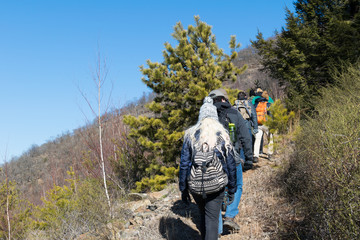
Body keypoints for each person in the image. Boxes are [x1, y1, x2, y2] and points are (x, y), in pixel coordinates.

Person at [179, 96, 237, 240]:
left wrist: (183, 188)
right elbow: (230, 164)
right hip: (216, 185)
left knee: (203, 216)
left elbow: (184, 164)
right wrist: (232, 189)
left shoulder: (190, 135)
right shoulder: (222, 134)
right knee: (211, 219)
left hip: (196, 185)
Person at [208, 88, 253, 233]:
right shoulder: (234, 113)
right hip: (233, 156)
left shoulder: (206, 116)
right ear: (224, 99)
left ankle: (218, 227)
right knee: (238, 184)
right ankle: (229, 215)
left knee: (216, 189)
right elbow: (246, 136)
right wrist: (249, 158)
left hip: (212, 158)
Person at [234, 90, 259, 162]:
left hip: (238, 126)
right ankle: (249, 160)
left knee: (240, 143)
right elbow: (254, 115)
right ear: (245, 97)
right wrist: (255, 127)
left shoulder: (235, 104)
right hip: (247, 124)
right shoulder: (249, 104)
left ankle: (242, 159)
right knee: (248, 142)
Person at [252, 89, 274, 162]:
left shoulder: (255, 104)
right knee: (270, 139)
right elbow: (270, 115)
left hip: (258, 124)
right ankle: (270, 154)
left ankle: (255, 156)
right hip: (267, 124)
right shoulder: (268, 104)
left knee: (257, 139)